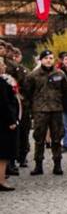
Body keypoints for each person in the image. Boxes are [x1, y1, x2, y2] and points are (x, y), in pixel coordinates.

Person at [26, 49, 67, 176]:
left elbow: (66, 91)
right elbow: (28, 92)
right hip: (40, 110)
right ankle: (38, 165)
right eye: (46, 58)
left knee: (57, 138)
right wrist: (31, 109)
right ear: (41, 60)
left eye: (51, 58)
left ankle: (57, 164)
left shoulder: (60, 74)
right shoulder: (33, 75)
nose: (48, 60)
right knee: (39, 138)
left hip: (56, 109)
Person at [0, 56, 18, 191]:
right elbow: (5, 104)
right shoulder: (1, 83)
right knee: (3, 153)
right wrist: (11, 120)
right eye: (2, 65)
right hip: (3, 123)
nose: (4, 67)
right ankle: (1, 180)